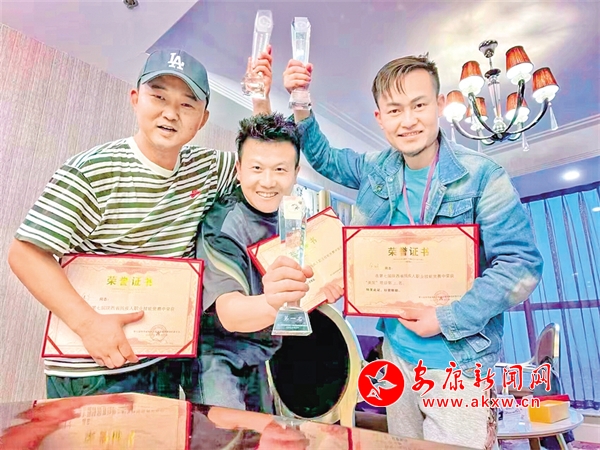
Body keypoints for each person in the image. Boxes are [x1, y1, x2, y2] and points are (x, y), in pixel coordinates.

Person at [278, 55, 544, 449]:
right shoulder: (376, 169)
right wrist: (300, 101)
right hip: (397, 355)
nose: (408, 120)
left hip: (460, 365)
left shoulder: (483, 176)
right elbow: (323, 157)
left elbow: (521, 266)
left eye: (419, 105)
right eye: (394, 110)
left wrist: (446, 317)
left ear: (439, 105)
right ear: (379, 118)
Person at [7, 47, 273, 400]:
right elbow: (25, 254)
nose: (170, 113)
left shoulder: (207, 169)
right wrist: (89, 325)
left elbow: (262, 165)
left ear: (202, 120)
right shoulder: (92, 171)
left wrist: (260, 100)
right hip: (95, 368)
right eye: (158, 97)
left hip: (164, 361)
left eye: (186, 104)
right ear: (135, 99)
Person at [194, 112, 343, 413]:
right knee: (226, 434)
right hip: (218, 358)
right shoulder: (224, 224)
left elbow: (302, 285)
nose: (268, 181)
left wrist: (318, 291)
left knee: (263, 433)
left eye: (280, 169)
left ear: (296, 172)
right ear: (239, 170)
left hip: (264, 355)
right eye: (257, 168)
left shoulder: (292, 217)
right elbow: (230, 314)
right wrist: (276, 301)